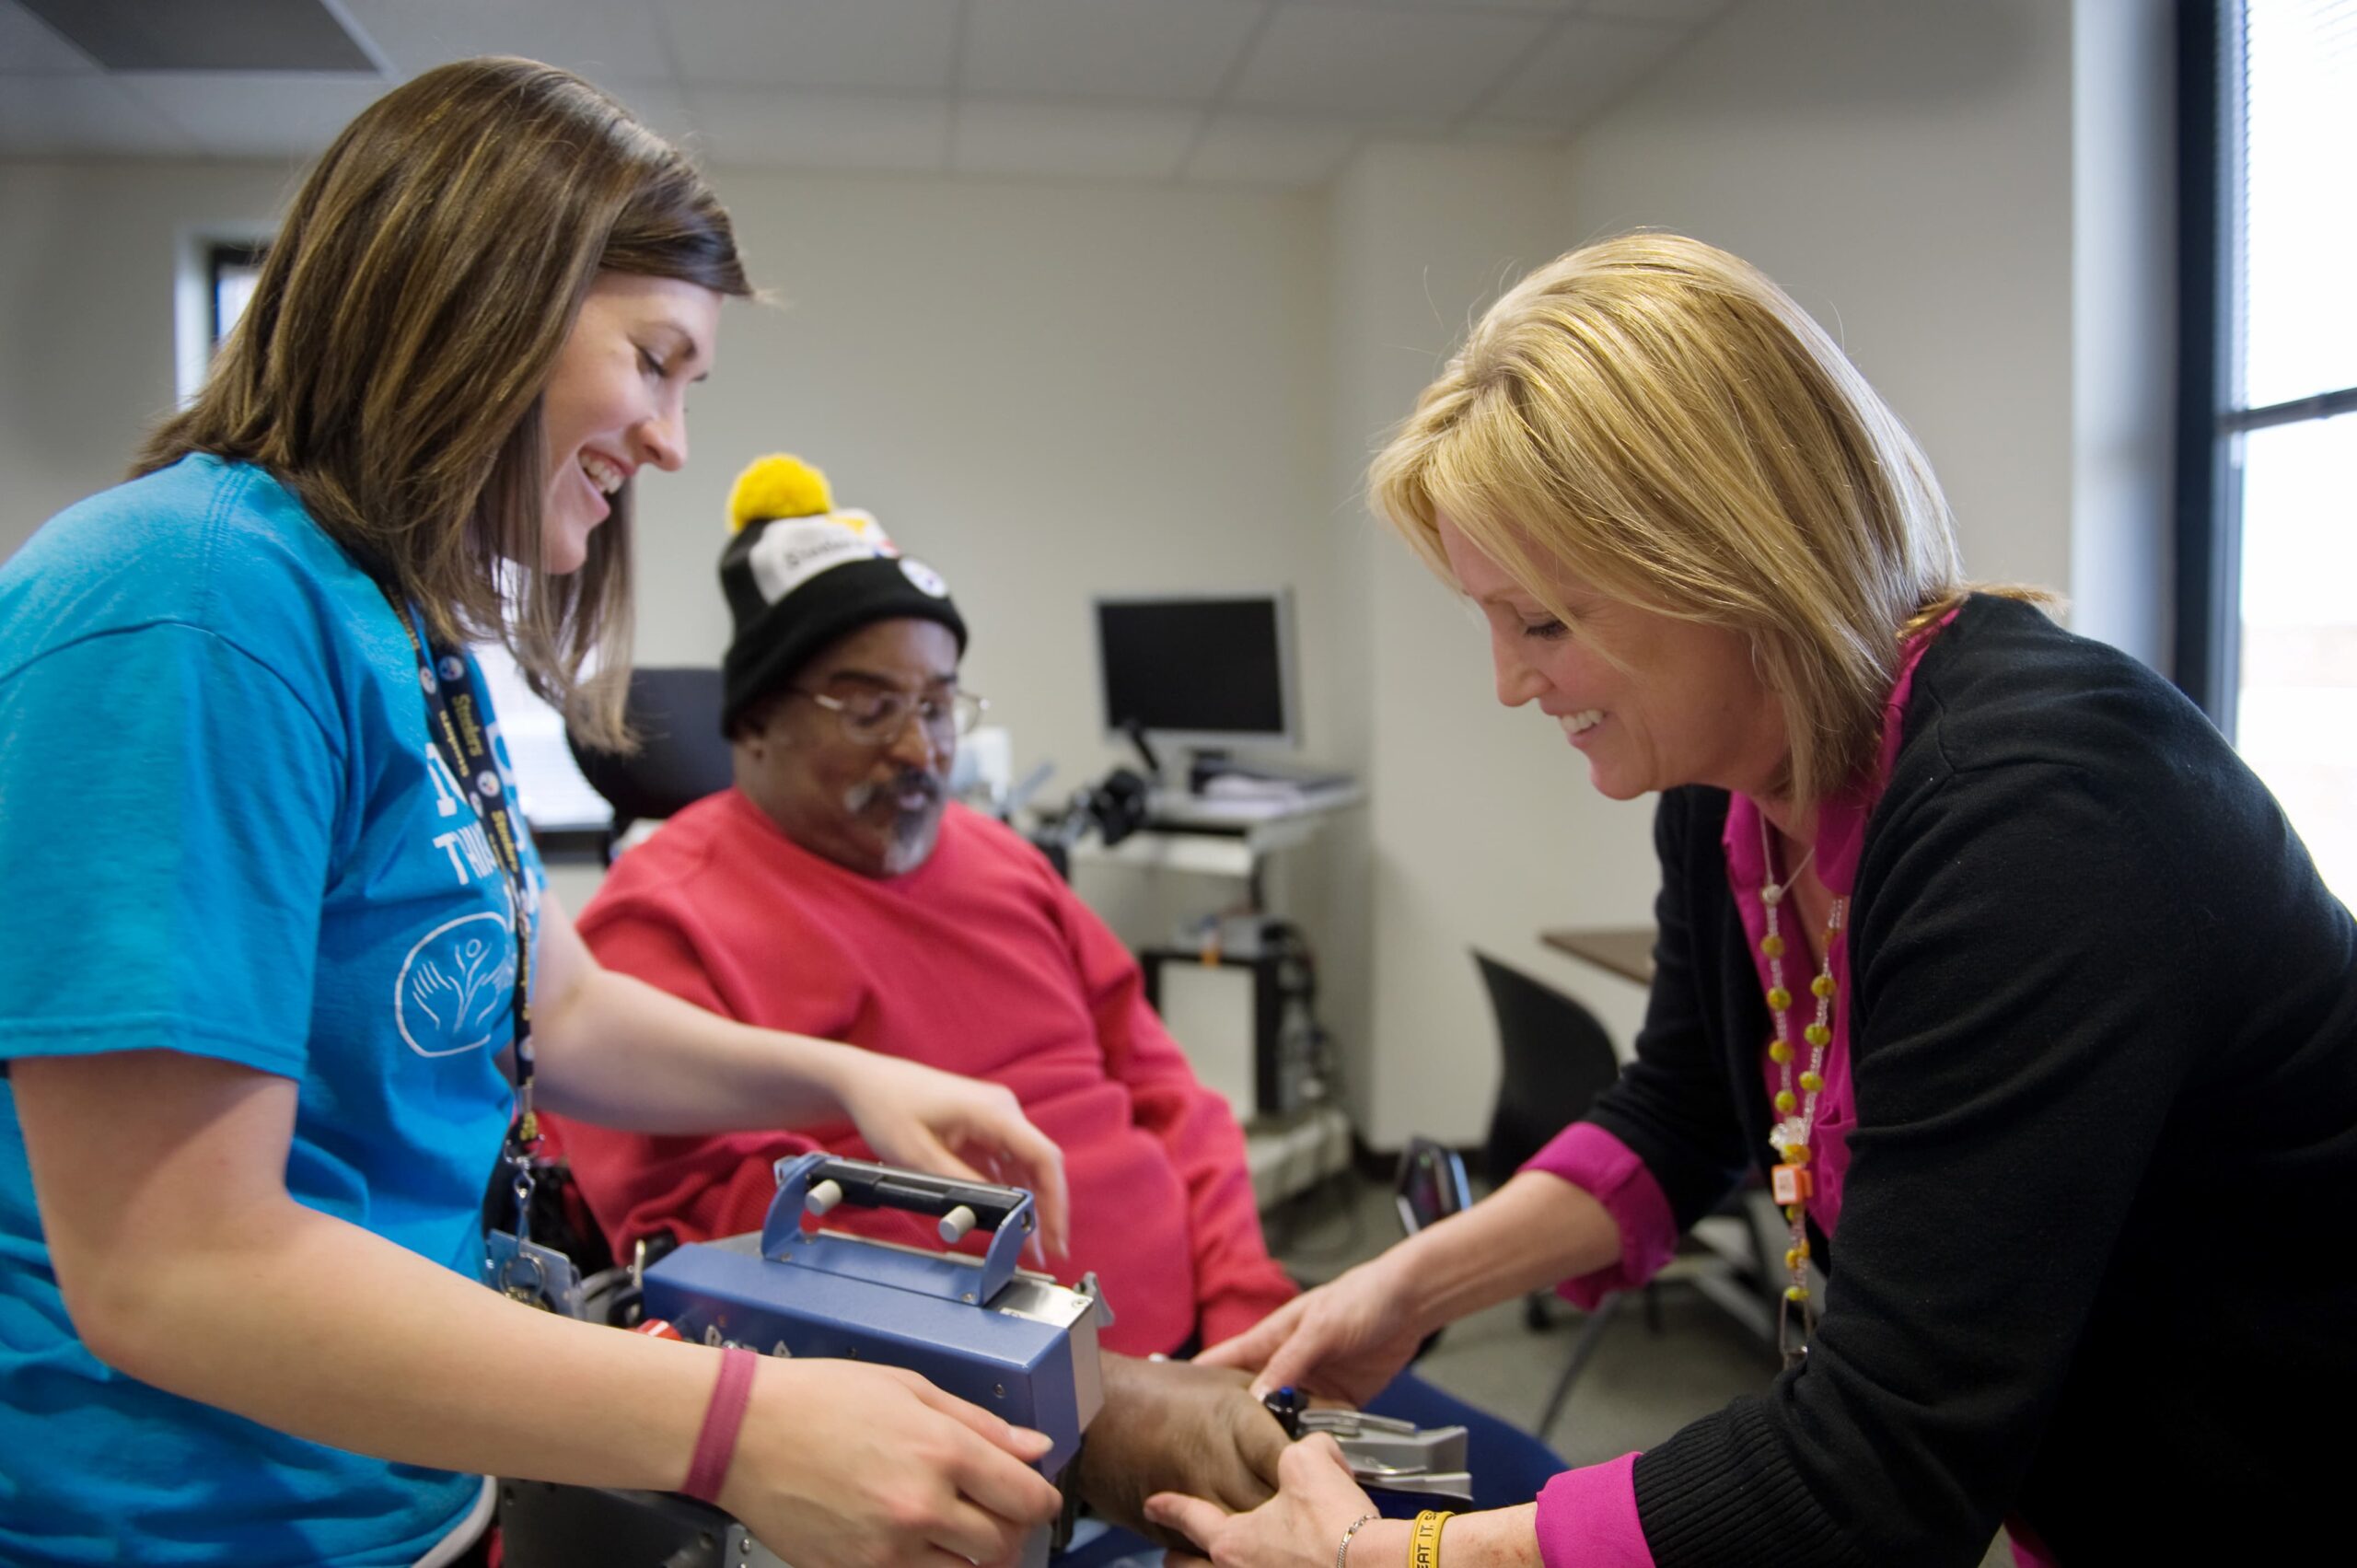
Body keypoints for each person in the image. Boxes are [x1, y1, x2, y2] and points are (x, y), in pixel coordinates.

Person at [0, 60, 1074, 1568]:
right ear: (483, 298)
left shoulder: (389, 619)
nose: (671, 443)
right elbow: (172, 1262)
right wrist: (735, 1422)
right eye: (654, 359)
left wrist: (851, 1079)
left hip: (404, 1491)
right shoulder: (189, 605)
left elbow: (545, 1009)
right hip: (172, 1525)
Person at [1149, 233, 2357, 1566]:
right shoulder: (1726, 781)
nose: (1508, 682)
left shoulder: (2036, 809)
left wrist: (1414, 1556)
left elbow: (1878, 1469)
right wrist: (1403, 1286)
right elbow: (1684, 1111)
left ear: (1726, 559)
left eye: (1543, 620)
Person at [543, 455, 1572, 1551]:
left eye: (939, 703)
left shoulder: (1004, 864)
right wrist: (1101, 1397)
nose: (918, 746)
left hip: (1220, 1369)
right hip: (990, 1451)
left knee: (1541, 1505)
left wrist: (1244, 1317)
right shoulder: (657, 927)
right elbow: (713, 1260)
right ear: (753, 721)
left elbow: (1173, 1097)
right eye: (869, 705)